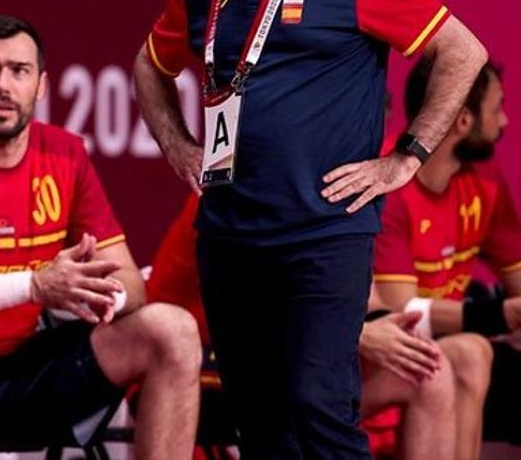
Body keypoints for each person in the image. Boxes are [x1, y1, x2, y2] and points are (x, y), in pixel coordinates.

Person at [131, 0, 488, 457]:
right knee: (260, 422)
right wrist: (179, 145)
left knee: (318, 410)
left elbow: (461, 50)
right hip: (231, 234)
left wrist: (405, 157)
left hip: (323, 234)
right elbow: (149, 68)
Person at [0, 15, 201, 459]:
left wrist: (88, 293)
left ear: (42, 85)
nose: (2, 85)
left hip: (30, 369)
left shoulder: (64, 154)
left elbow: (132, 285)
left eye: (19, 70)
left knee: (173, 329)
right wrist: (33, 286)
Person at [149, 194, 494, 459]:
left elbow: (358, 300)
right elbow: (261, 311)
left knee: (427, 369)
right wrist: (360, 334)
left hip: (291, 359)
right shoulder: (250, 190)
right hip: (208, 365)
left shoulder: (339, 198)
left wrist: (378, 325)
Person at [375, 58, 521, 448]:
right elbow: (403, 317)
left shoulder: (483, 179)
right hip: (394, 351)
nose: (504, 122)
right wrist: (511, 313)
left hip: (464, 335)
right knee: (469, 352)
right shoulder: (390, 181)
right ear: (463, 121)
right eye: (497, 108)